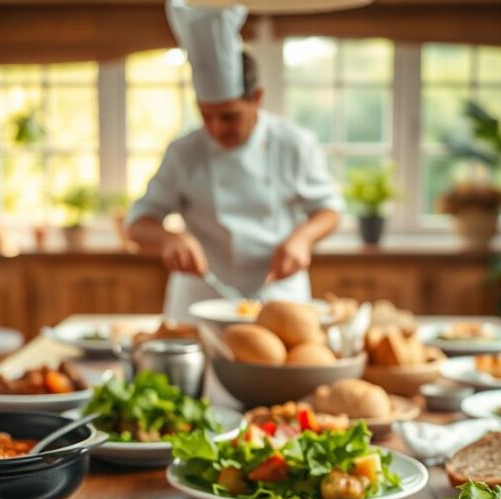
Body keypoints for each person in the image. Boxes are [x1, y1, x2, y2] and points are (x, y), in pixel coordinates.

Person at [126, 0, 344, 321]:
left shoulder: (293, 144)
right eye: (206, 116)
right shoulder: (183, 151)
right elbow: (138, 222)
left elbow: (329, 211)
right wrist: (168, 239)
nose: (215, 129)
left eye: (228, 117)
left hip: (278, 296)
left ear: (256, 99)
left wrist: (302, 239)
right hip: (200, 300)